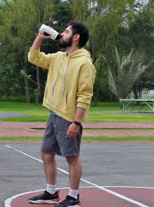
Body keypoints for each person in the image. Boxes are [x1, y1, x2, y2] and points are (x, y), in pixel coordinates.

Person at [27, 21, 96, 207]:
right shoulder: (59, 57)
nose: (62, 34)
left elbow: (85, 95)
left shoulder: (85, 63)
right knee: (46, 154)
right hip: (54, 114)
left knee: (71, 157)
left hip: (69, 118)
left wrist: (77, 122)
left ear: (76, 37)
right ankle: (51, 192)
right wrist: (39, 38)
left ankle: (73, 197)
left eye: (66, 31)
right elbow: (34, 58)